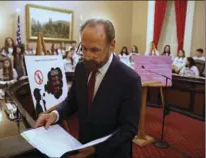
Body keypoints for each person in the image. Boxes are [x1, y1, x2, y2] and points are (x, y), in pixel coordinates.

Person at [34, 18, 142, 158]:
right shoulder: (80, 68)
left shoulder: (129, 79)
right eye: (84, 48)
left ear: (112, 45)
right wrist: (55, 114)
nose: (88, 56)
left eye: (95, 50)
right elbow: (72, 101)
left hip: (112, 153)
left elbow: (129, 129)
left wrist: (96, 149)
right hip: (82, 145)